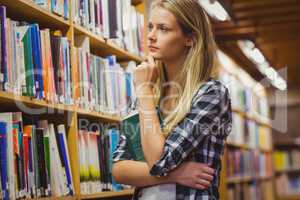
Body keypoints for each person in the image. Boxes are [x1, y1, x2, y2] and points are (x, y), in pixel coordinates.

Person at [112, 0, 232, 199]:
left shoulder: (211, 93)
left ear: (190, 38)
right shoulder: (149, 94)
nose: (150, 36)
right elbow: (119, 169)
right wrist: (177, 174)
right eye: (150, 27)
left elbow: (159, 161)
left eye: (163, 29)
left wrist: (143, 91)